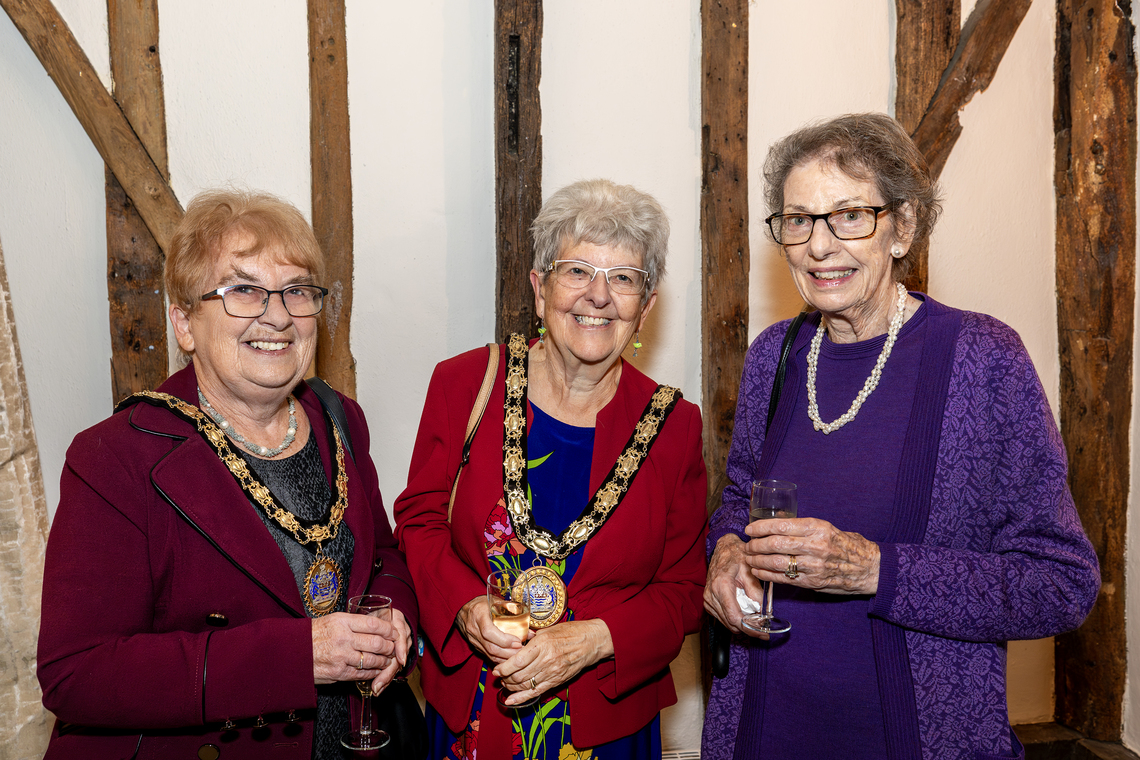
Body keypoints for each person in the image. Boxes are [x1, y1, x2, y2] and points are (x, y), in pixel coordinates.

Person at [702, 113, 1100, 760]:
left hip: (915, 741)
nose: (819, 246)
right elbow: (740, 499)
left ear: (904, 228)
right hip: (763, 732)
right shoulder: (773, 356)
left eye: (850, 215)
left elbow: (1059, 585)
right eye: (798, 219)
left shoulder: (984, 360)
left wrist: (877, 571)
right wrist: (723, 552)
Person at [37, 189, 418, 759]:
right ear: (184, 324)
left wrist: (394, 623)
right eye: (244, 290)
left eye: (296, 291)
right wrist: (299, 657)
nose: (279, 315)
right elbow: (76, 672)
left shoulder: (339, 418)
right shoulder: (115, 457)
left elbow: (383, 558)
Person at [395, 179, 707, 760]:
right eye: (576, 271)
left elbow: (685, 590)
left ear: (647, 305)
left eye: (623, 279)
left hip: (605, 722)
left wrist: (594, 640)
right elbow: (418, 518)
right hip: (476, 708)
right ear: (540, 289)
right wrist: (466, 605)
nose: (598, 296)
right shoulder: (465, 384)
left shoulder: (674, 426)